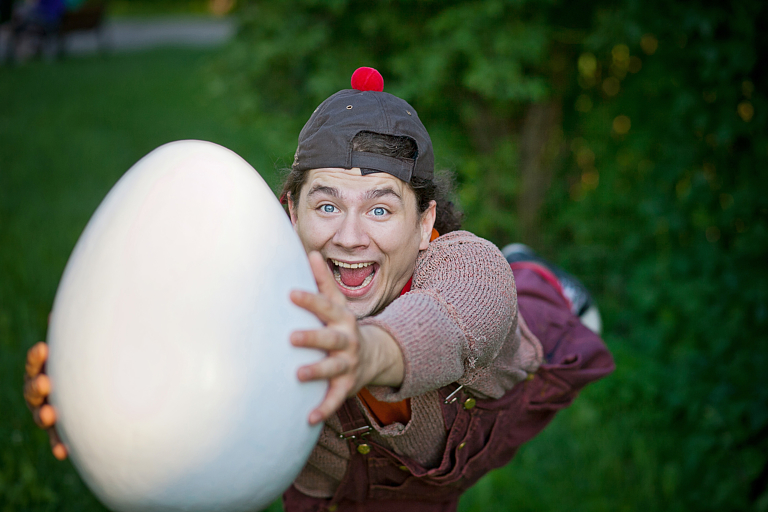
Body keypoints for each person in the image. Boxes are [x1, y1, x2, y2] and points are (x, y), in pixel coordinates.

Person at [24, 67, 614, 511]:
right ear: (290, 213)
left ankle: (542, 278)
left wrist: (368, 351)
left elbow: (457, 316)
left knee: (533, 297)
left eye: (381, 209)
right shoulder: (260, 302)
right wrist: (97, 401)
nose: (350, 237)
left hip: (509, 389)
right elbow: (182, 343)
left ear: (425, 223)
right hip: (351, 494)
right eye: (327, 205)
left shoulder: (468, 266)